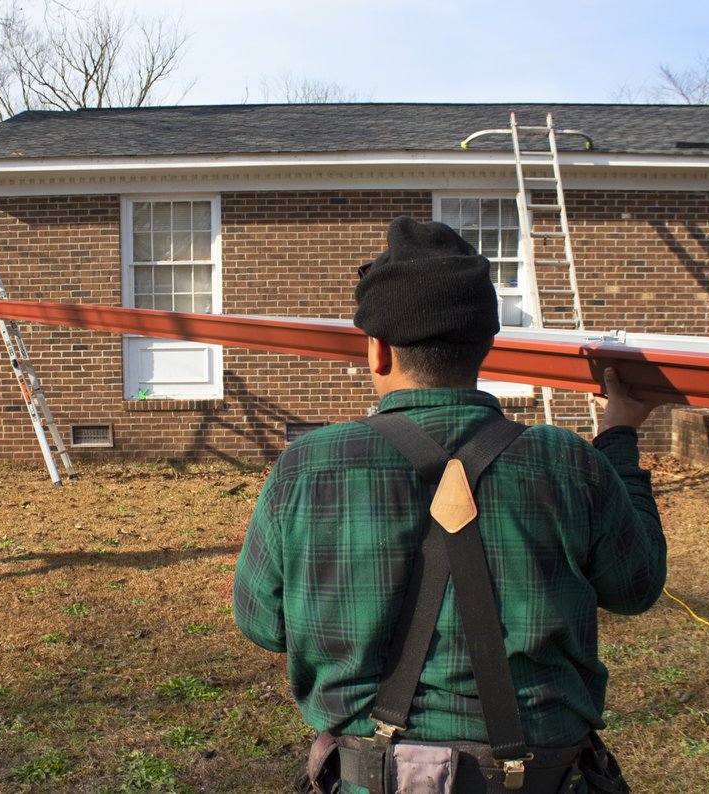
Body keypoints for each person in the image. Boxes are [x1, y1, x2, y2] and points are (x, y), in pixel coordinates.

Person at [232, 216, 666, 793]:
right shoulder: (568, 462)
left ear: (377, 351)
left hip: (368, 778)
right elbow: (635, 589)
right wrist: (618, 438)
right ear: (487, 345)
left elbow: (262, 622)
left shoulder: (307, 466)